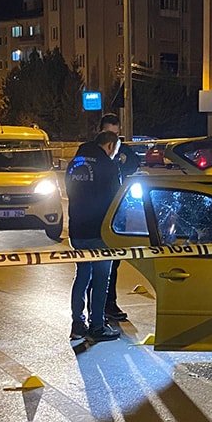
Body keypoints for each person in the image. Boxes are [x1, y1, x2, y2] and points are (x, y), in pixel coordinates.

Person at [65, 130, 122, 347]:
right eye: (115, 150)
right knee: (100, 279)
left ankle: (77, 324)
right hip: (100, 231)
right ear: (110, 146)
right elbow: (116, 199)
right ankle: (97, 325)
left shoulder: (74, 163)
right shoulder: (108, 166)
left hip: (77, 229)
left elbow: (70, 192)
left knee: (82, 275)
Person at [91, 113, 139, 322]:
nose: (112, 140)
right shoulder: (91, 153)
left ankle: (109, 304)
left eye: (115, 135)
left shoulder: (123, 151)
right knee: (93, 266)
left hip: (118, 213)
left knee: (113, 263)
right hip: (96, 215)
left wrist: (123, 162)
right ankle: (95, 310)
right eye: (108, 134)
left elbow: (134, 164)